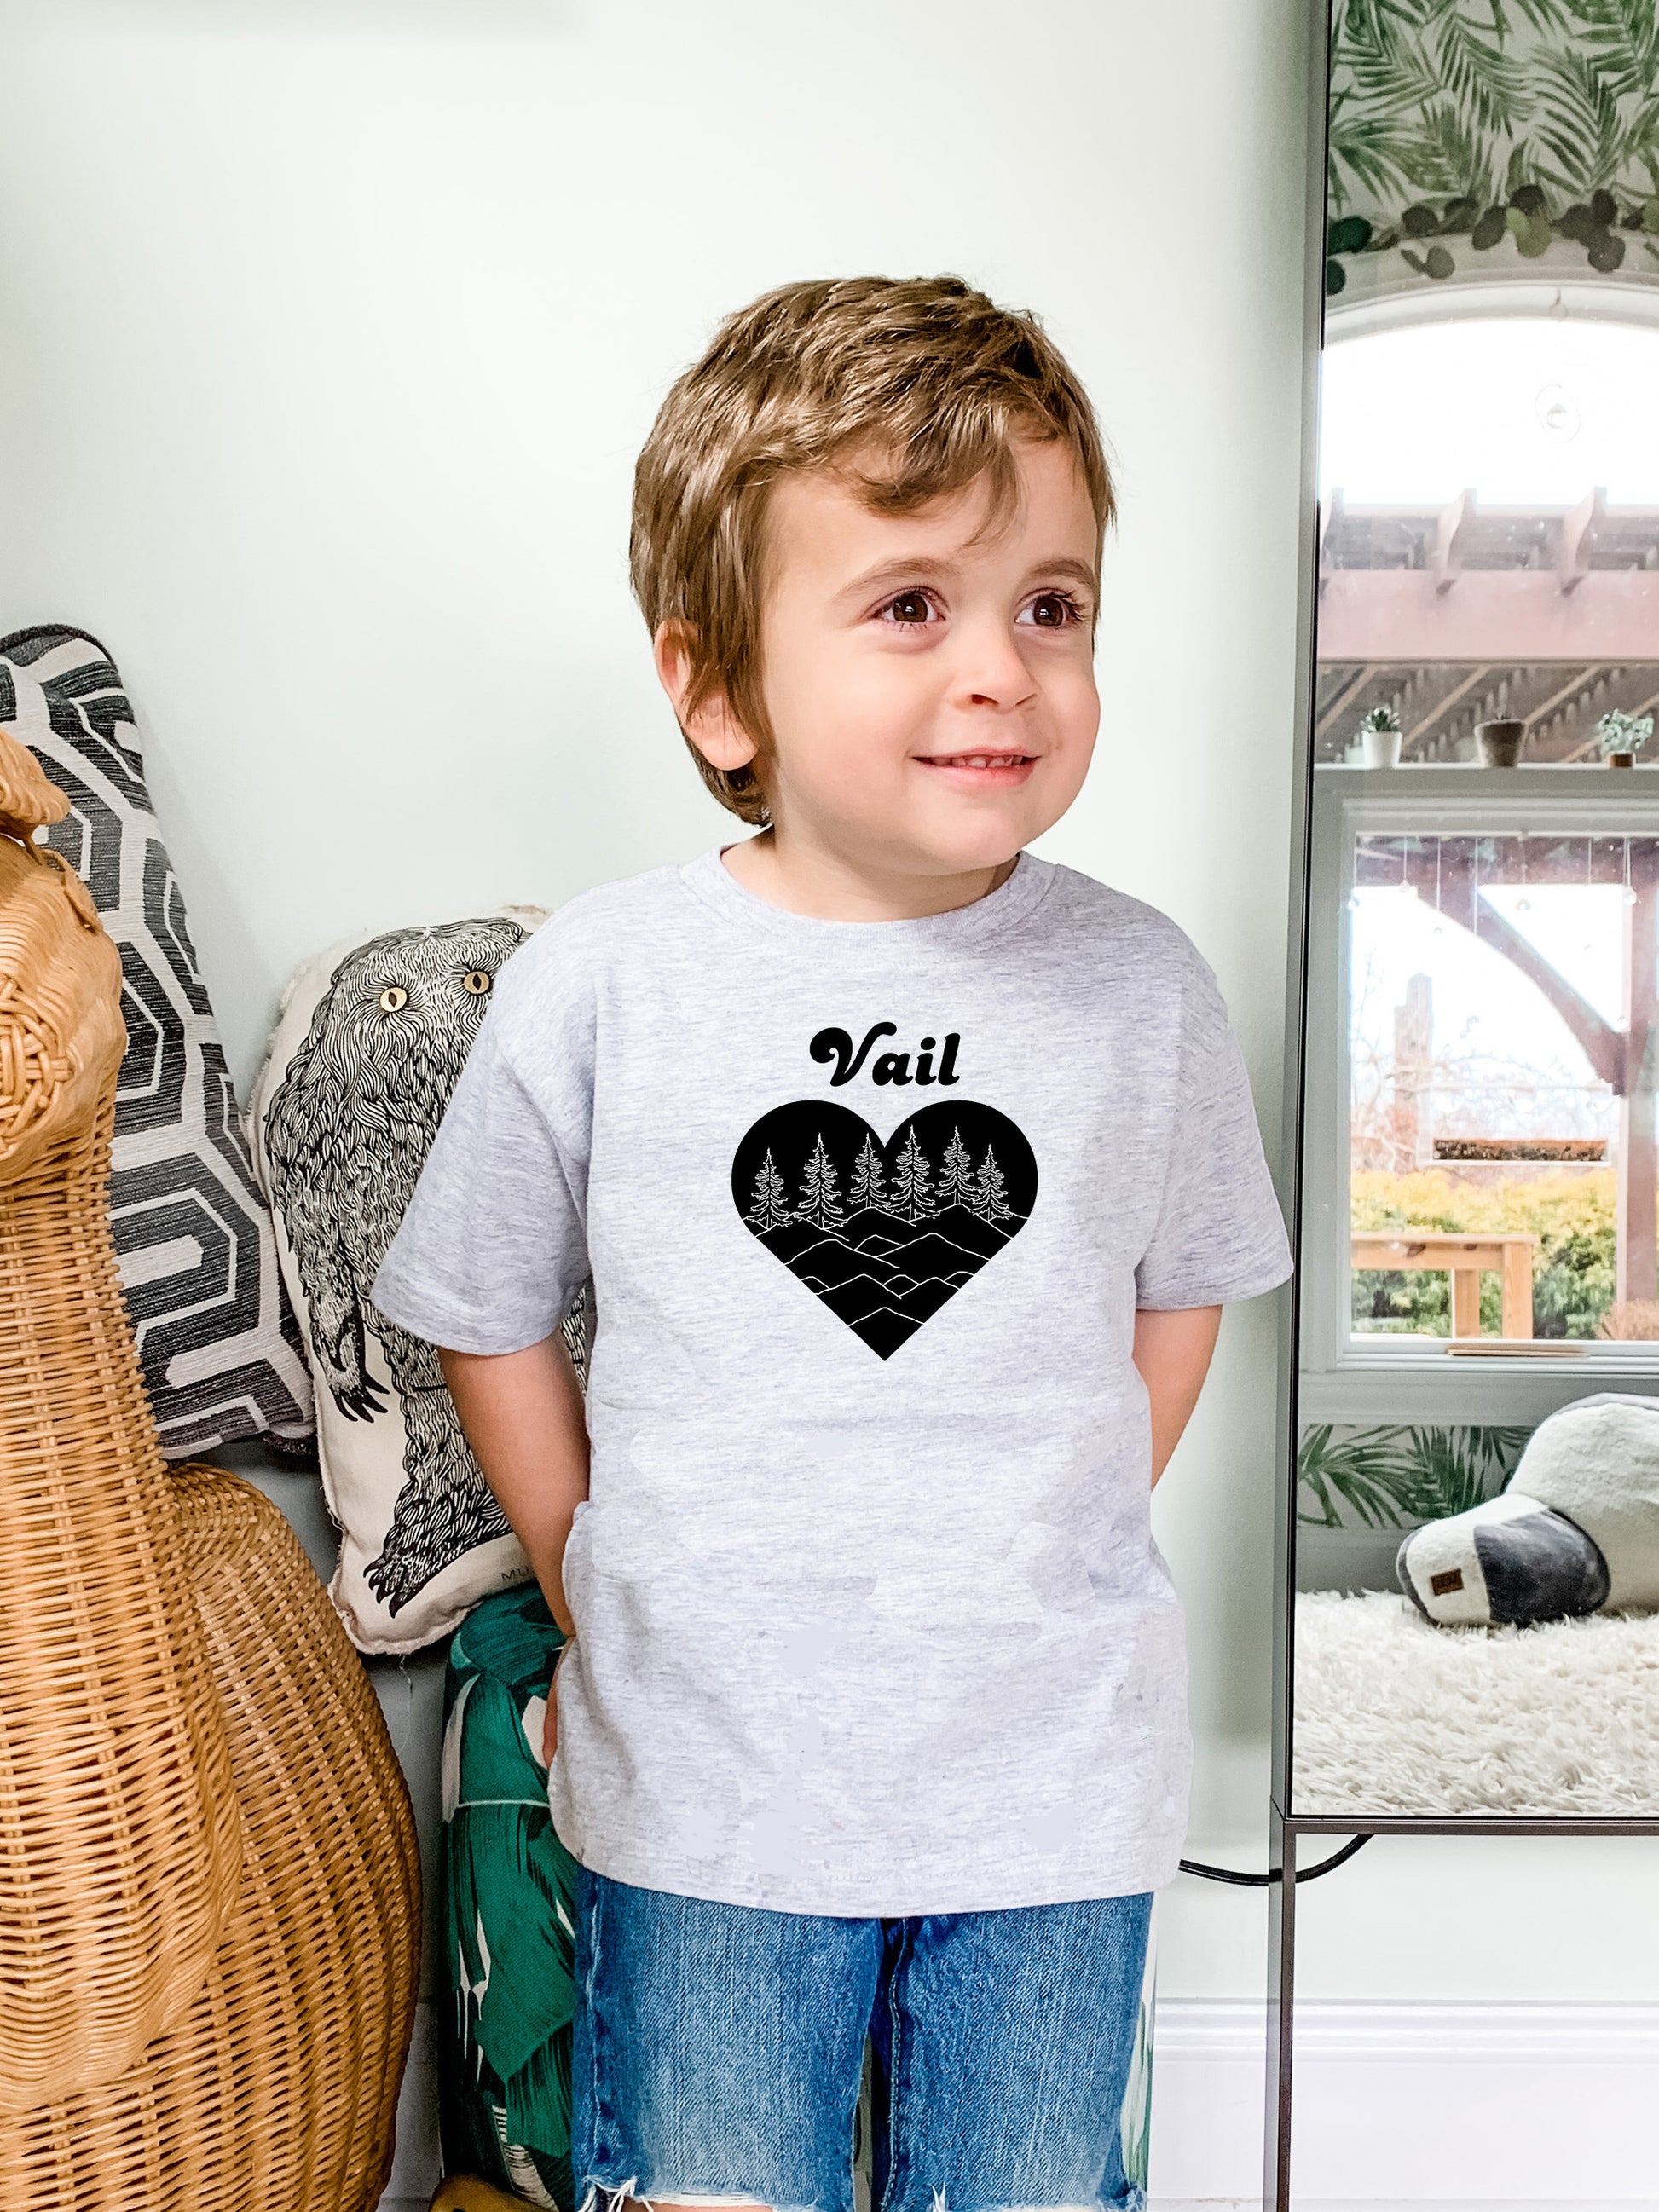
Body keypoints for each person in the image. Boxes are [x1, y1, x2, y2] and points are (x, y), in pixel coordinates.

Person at [373, 274, 1292, 2212]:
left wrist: (1056, 1502)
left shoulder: (1140, 985)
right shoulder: (607, 979)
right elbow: (480, 1305)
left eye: (1050, 602)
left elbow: (1181, 1279)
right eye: (909, 604)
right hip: (704, 1779)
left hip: (1049, 1790)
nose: (1003, 669)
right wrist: (584, 1554)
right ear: (716, 687)